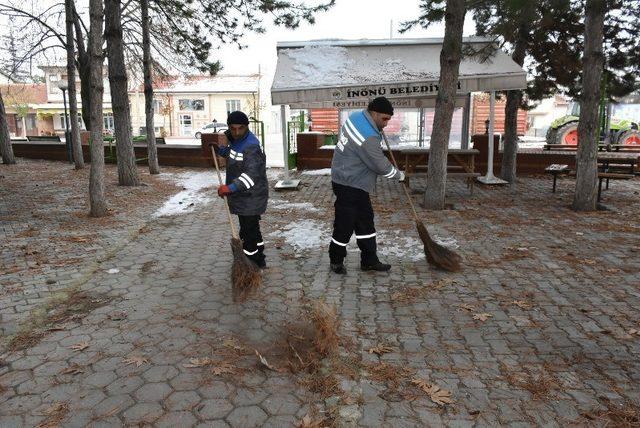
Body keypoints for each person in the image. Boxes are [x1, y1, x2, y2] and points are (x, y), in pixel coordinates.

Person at [328, 96, 405, 274]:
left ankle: (369, 260)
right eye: (384, 119)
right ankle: (336, 260)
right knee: (344, 223)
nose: (386, 124)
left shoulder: (356, 117)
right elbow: (379, 164)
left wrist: (377, 130)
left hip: (349, 178)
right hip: (349, 183)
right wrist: (399, 175)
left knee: (365, 222)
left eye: (389, 119)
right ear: (374, 113)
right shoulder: (367, 136)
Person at [214, 111, 268, 268]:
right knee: (251, 228)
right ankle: (259, 258)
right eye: (233, 128)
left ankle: (251, 263)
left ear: (247, 127)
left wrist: (229, 188)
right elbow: (234, 154)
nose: (236, 132)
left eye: (240, 128)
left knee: (248, 232)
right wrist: (221, 150)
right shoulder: (236, 140)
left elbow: (251, 176)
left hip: (251, 196)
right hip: (243, 196)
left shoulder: (251, 146)